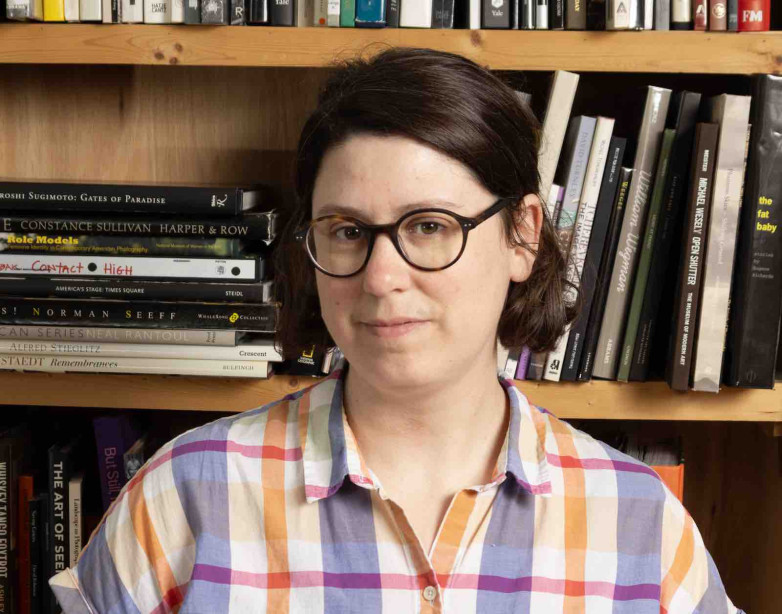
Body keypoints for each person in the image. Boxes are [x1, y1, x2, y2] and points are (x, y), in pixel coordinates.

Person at [50, 47, 744, 614]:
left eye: (430, 226)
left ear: (523, 235)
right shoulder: (183, 495)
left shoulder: (640, 524)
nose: (381, 277)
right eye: (348, 231)